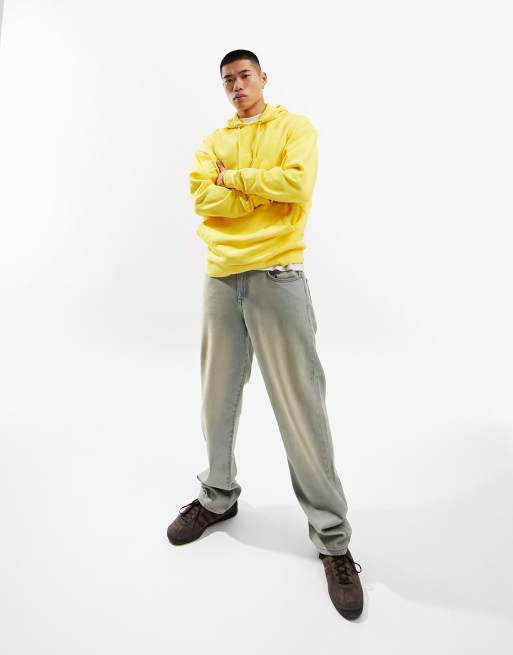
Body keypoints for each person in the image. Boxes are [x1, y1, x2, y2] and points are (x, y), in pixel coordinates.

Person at [167, 49, 363, 620]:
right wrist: (260, 190)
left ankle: (333, 540)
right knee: (216, 396)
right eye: (228, 79)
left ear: (263, 78)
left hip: (278, 275)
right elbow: (202, 196)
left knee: (300, 404)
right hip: (221, 278)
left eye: (244, 76)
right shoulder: (213, 141)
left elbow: (296, 186)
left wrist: (237, 181)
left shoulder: (295, 128)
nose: (237, 85)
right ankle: (217, 497)